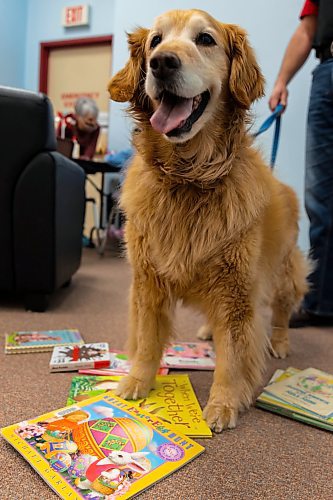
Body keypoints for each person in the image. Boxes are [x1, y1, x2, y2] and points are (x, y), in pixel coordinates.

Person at [269, 0, 333, 328]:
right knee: (319, 200)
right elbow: (307, 28)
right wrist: (281, 80)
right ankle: (321, 304)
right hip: (328, 70)